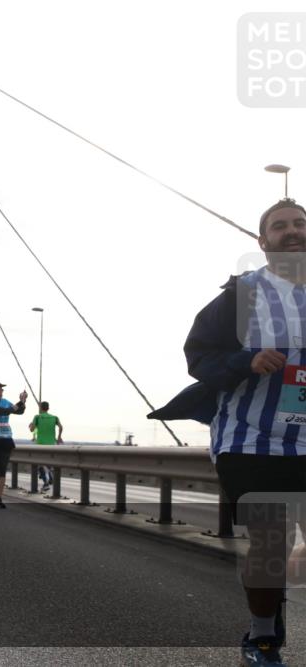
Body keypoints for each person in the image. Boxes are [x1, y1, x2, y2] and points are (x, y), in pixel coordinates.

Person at [151, 198, 306, 666]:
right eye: (279, 227)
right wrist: (246, 360)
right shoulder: (243, 296)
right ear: (263, 242)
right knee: (271, 540)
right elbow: (197, 356)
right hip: (251, 438)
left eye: (299, 224)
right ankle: (263, 637)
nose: (291, 231)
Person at [0, 381, 27, 509]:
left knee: (2, 469)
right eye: (0, 389)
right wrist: (19, 404)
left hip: (6, 438)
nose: (2, 391)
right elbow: (4, 412)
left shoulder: (6, 400)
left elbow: (19, 412)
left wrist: (23, 401)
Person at [28, 401, 63, 493]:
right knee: (48, 464)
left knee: (40, 465)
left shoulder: (37, 417)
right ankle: (50, 478)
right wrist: (59, 437)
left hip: (40, 445)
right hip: (52, 445)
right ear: (48, 408)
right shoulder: (54, 417)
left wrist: (31, 426)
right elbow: (61, 427)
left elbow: (32, 430)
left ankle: (46, 483)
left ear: (40, 408)